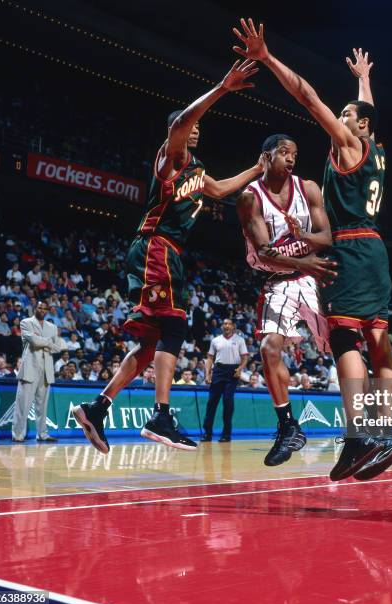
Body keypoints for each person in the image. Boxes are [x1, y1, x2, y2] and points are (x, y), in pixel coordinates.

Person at [232, 22, 392, 480]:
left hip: (348, 249)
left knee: (347, 339)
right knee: (380, 345)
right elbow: (370, 110)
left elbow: (308, 96)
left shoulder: (348, 144)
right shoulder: (376, 149)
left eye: (347, 113)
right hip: (376, 252)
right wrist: (364, 79)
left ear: (359, 125)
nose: (341, 117)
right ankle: (383, 432)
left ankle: (357, 437)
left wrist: (268, 58)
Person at [73, 59, 263, 454]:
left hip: (164, 253)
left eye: (198, 127)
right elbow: (180, 125)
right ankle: (161, 415)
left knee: (150, 344)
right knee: (175, 328)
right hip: (155, 247)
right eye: (191, 124)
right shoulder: (170, 157)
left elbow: (220, 189)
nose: (196, 129)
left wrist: (257, 169)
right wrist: (223, 88)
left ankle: (97, 407)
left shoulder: (196, 169)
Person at [237, 133, 335, 466]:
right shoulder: (250, 198)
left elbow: (326, 237)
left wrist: (304, 238)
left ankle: (368, 427)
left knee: (346, 343)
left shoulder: (308, 189)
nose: (291, 158)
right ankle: (288, 426)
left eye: (294, 153)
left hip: (311, 277)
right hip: (277, 280)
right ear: (265, 157)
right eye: (283, 152)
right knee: (268, 349)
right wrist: (303, 259)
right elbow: (265, 251)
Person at [12, 302, 59, 443]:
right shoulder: (26, 322)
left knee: (42, 406)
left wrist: (42, 340)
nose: (42, 310)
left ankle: (42, 434)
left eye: (45, 308)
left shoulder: (52, 327)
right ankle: (18, 435)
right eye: (40, 307)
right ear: (34, 309)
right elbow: (33, 341)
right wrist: (47, 341)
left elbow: (56, 347)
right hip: (30, 368)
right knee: (23, 404)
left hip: (47, 370)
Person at [202, 319, 248, 442]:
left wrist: (240, 369)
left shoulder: (240, 340)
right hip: (218, 371)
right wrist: (207, 374)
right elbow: (210, 358)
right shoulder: (215, 340)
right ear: (222, 326)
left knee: (228, 403)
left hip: (232, 373)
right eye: (224, 323)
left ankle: (226, 434)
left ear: (233, 326)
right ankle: (207, 433)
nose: (226, 325)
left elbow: (245, 357)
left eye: (229, 324)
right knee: (211, 402)